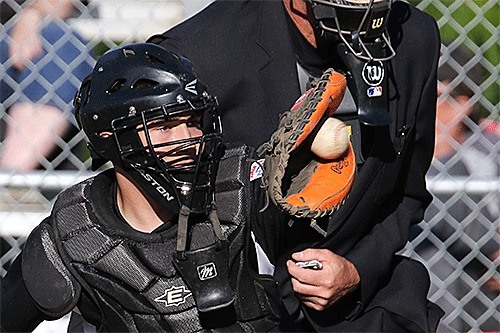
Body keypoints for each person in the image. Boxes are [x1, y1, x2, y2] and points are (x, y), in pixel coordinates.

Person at [148, 0, 444, 331]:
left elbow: (407, 193)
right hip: (239, 302)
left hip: (365, 302)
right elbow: (160, 210)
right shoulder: (200, 52)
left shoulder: (412, 39)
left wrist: (357, 269)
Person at [0, 43, 286, 332]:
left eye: (193, 121)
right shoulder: (74, 233)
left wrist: (334, 275)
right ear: (111, 138)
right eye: (164, 126)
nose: (188, 140)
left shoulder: (243, 189)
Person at [413, 44, 499, 332]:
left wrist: (442, 150)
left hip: (480, 275)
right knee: (430, 252)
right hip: (436, 267)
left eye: (433, 95)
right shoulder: (400, 148)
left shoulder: (488, 148)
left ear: (463, 103)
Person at [0, 0, 93, 172]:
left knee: (59, 41)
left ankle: (9, 177)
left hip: (16, 43)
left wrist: (32, 13)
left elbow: (63, 3)